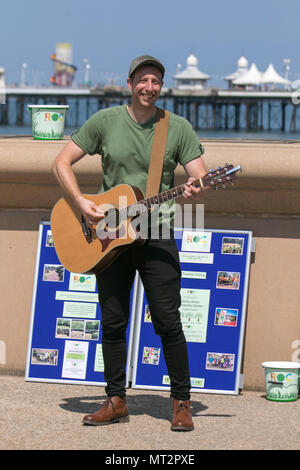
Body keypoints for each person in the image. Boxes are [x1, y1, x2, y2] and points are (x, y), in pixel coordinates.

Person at [52, 54, 208, 432]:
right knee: (113, 321)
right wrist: (81, 202)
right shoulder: (105, 121)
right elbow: (60, 163)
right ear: (130, 83)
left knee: (169, 322)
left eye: (155, 82)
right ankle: (116, 400)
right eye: (143, 80)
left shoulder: (178, 128)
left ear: (161, 87)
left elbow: (200, 176)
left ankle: (181, 402)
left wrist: (194, 188)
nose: (149, 88)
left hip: (157, 234)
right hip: (108, 236)